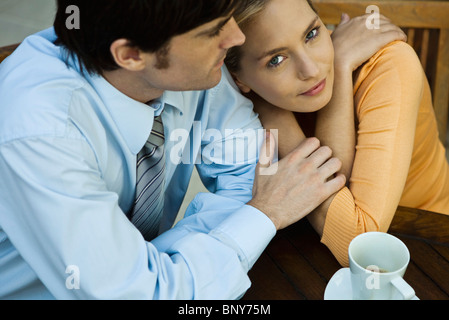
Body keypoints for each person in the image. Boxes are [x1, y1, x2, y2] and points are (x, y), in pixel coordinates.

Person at [0, 0, 346, 299]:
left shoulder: (192, 67)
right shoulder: (40, 133)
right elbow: (143, 293)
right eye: (213, 31)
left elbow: (250, 174)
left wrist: (169, 269)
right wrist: (262, 215)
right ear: (131, 55)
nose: (236, 37)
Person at [225, 0, 449, 266]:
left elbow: (361, 245)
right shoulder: (238, 96)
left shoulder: (391, 64)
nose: (312, 70)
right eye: (276, 60)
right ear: (238, 78)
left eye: (311, 34)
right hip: (309, 248)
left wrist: (270, 111)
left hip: (424, 242)